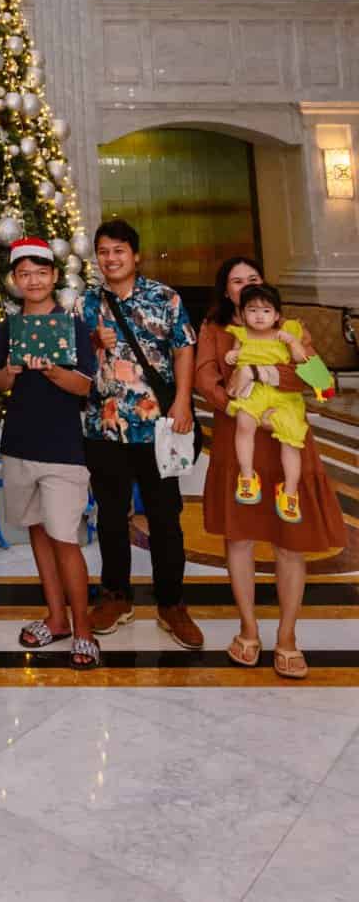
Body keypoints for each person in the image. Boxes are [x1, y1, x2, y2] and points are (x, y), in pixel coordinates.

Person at [196, 256, 344, 678]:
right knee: (239, 537)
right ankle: (248, 629)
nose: (245, 286)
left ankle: (287, 636)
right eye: (236, 281)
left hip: (288, 440)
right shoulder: (217, 331)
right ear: (227, 293)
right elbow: (207, 382)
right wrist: (240, 403)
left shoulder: (292, 329)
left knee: (289, 539)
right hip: (238, 439)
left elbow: (322, 382)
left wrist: (273, 373)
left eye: (253, 279)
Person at [80, 218, 203, 651]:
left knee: (164, 517)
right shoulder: (84, 304)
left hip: (157, 429)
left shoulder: (164, 298)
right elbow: (77, 362)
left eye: (118, 250)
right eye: (103, 251)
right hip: (104, 427)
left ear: (135, 255)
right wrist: (94, 341)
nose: (110, 258)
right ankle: (117, 597)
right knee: (110, 517)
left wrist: (183, 400)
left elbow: (184, 347)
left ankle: (171, 603)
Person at [0, 238, 99, 670]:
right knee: (37, 531)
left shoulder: (71, 326)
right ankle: (55, 617)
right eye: (24, 274)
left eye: (40, 272)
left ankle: (83, 629)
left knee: (65, 538)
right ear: (15, 281)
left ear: (54, 276)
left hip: (62, 448)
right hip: (19, 442)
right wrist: (9, 372)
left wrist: (53, 369)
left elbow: (86, 386)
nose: (32, 281)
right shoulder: (9, 327)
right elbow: (0, 383)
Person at [225, 283, 310, 522]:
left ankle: (289, 492)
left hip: (284, 395)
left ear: (277, 315)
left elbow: (302, 361)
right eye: (252, 310)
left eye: (265, 311)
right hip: (254, 391)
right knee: (244, 422)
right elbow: (234, 359)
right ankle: (248, 476)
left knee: (291, 439)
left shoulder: (288, 332)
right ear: (242, 315)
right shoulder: (241, 335)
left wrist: (292, 342)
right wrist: (232, 356)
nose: (259, 316)